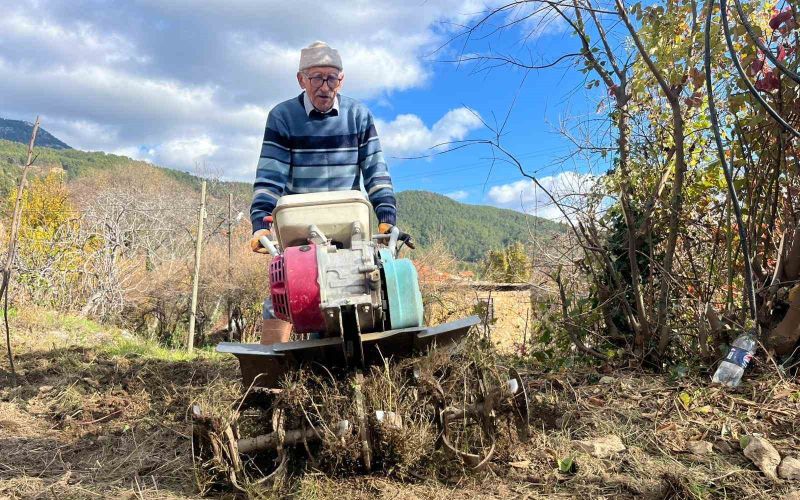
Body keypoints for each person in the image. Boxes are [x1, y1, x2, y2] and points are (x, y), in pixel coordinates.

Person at [249, 41, 398, 344]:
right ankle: (271, 379)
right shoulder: (283, 117)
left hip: (348, 225)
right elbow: (270, 175)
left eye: (332, 78)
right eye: (316, 77)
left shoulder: (358, 115)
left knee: (370, 291)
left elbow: (375, 170)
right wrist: (258, 224)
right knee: (285, 298)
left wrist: (386, 215)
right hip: (300, 228)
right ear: (301, 79)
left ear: (341, 80)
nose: (324, 86)